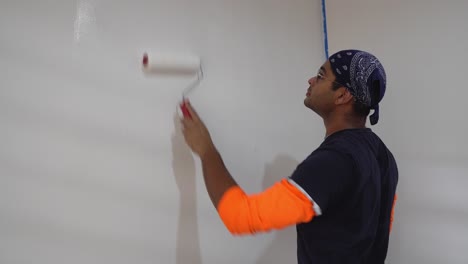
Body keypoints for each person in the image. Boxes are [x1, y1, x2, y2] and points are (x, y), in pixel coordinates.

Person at [179, 49, 398, 264]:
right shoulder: (384, 157)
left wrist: (206, 150)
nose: (311, 80)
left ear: (342, 95)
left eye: (321, 76)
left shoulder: (335, 160)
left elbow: (241, 217)